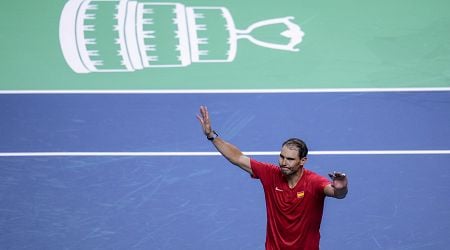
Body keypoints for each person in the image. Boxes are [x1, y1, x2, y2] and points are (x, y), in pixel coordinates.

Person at [196, 105, 348, 250]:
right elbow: (238, 157)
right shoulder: (270, 173)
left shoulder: (313, 182)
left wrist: (342, 188)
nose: (283, 162)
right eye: (282, 157)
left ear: (303, 161)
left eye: (290, 159)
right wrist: (212, 136)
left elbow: (336, 193)